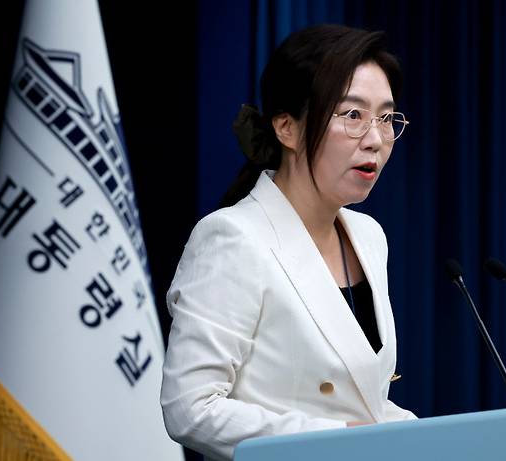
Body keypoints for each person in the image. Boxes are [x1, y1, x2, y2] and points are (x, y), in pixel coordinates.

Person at [161, 24, 416, 461]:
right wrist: (337, 441)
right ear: (286, 128)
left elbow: (362, 402)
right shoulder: (233, 238)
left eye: (386, 118)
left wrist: (426, 437)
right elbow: (190, 408)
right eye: (352, 116)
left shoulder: (369, 236)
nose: (375, 139)